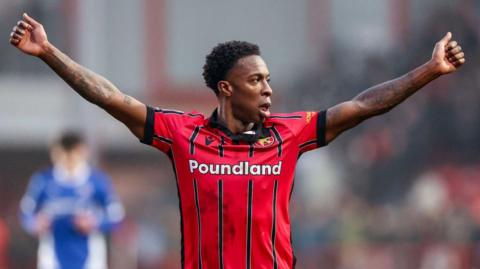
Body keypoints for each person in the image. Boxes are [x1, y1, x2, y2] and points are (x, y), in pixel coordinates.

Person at [10, 13, 465, 269]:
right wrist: (49, 51)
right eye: (256, 81)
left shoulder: (291, 133)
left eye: (269, 79)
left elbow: (365, 105)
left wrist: (429, 70)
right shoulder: (181, 133)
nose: (268, 89)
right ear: (227, 88)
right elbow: (110, 96)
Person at [19, 131, 125, 269]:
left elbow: (116, 215)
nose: (68, 160)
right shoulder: (43, 180)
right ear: (55, 154)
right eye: (63, 155)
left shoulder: (97, 181)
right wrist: (35, 223)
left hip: (90, 259)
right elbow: (25, 212)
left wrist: (95, 222)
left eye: (73, 155)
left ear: (83, 152)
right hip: (52, 257)